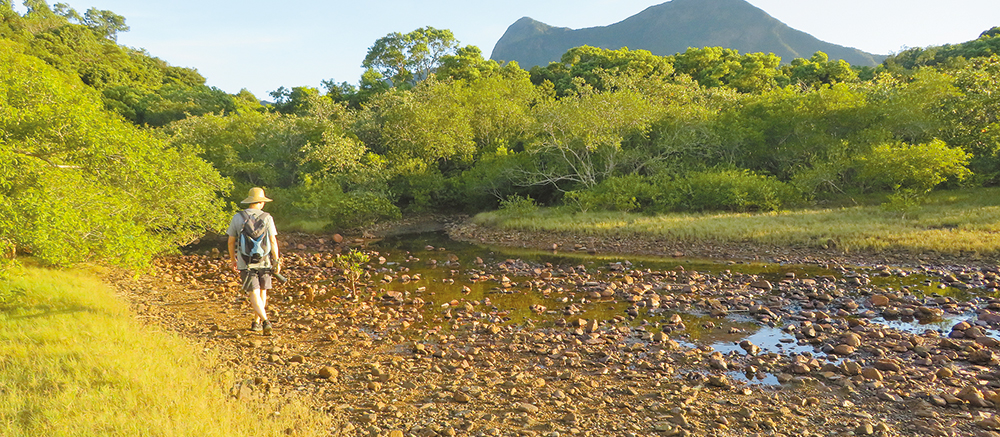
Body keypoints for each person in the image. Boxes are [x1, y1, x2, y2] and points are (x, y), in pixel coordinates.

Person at [227, 187, 281, 335]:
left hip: (245, 262)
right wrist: (276, 261)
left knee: (254, 292)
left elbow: (231, 241)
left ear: (250, 201)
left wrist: (233, 260)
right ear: (261, 202)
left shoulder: (237, 217)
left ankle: (262, 321)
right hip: (264, 261)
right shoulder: (267, 217)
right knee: (263, 291)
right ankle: (261, 321)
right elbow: (273, 241)